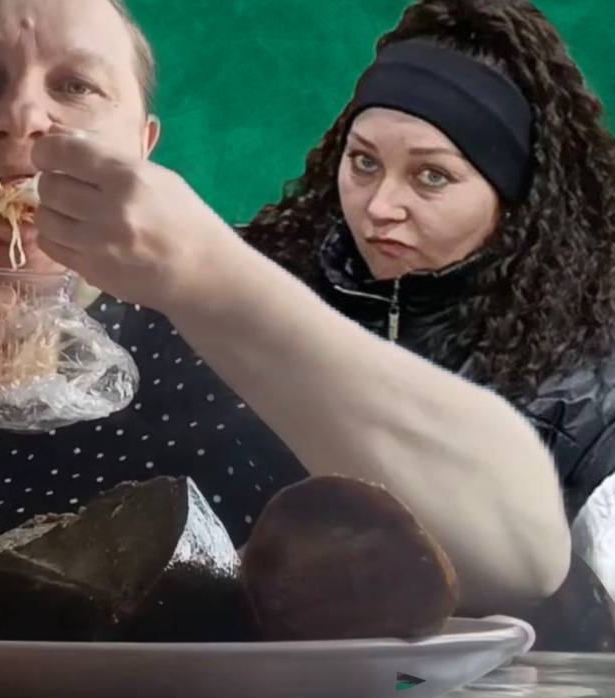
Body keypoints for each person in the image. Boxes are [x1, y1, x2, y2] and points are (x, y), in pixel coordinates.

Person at [0, 0, 571, 618]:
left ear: (143, 148)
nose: (21, 117)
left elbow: (522, 555)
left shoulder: (249, 332)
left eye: (74, 85)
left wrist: (209, 274)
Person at [243, 0, 615, 526]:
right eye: (364, 162)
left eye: (431, 176)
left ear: (516, 199)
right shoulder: (255, 284)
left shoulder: (589, 396)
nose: (380, 207)